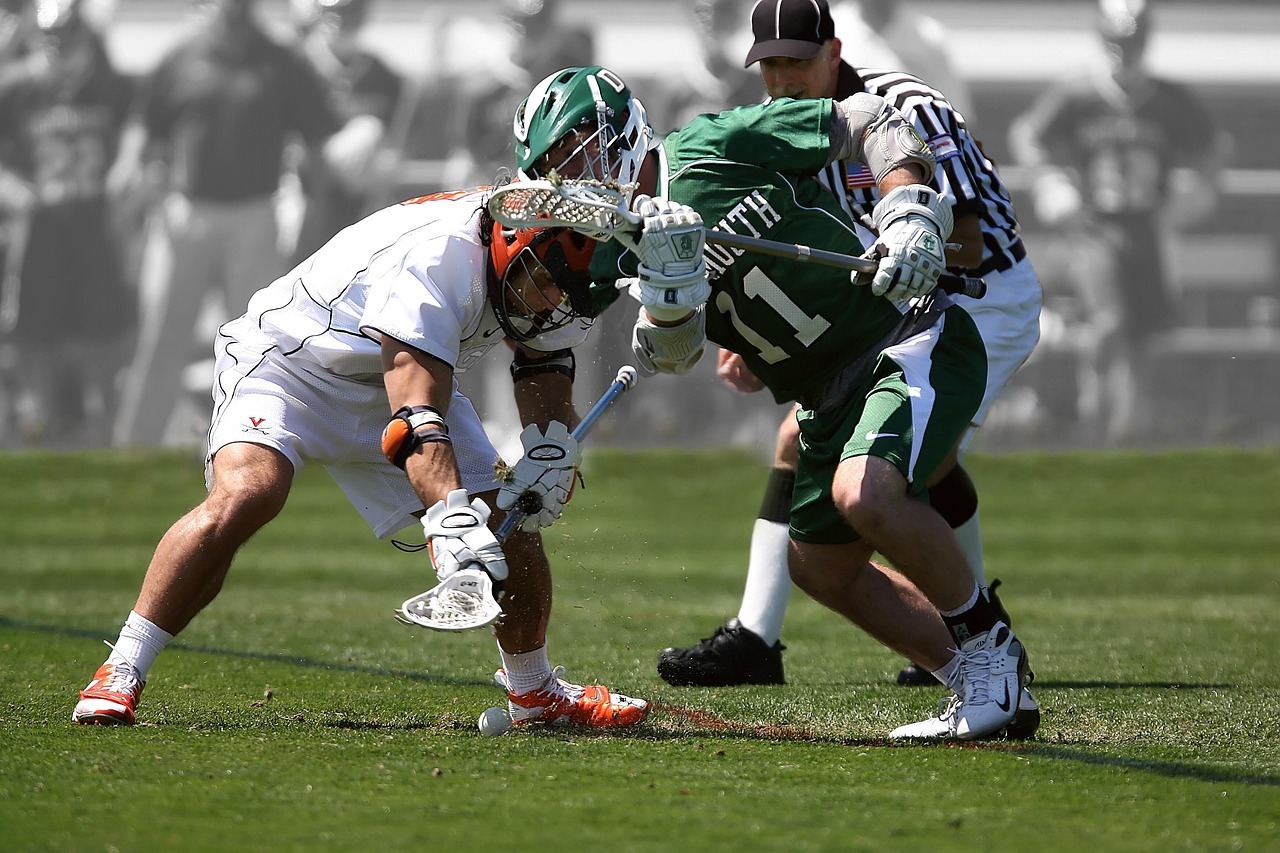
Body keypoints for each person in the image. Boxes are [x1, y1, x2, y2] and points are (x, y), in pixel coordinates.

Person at [511, 63, 1033, 740]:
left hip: (904, 336)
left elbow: (871, 119)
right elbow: (673, 352)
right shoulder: (610, 250)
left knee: (865, 495)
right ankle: (980, 682)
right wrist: (668, 296)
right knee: (821, 568)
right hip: (825, 394)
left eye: (577, 153)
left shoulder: (709, 144)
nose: (573, 176)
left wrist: (908, 212)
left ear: (619, 132)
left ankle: (993, 653)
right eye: (556, 168)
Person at [72, 180, 650, 731]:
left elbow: (542, 364)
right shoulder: (440, 259)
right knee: (249, 493)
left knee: (509, 521)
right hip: (291, 366)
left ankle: (534, 692)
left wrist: (549, 449)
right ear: (511, 246)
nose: (549, 301)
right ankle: (122, 667)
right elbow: (415, 419)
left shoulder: (548, 254)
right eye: (542, 282)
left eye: (560, 290)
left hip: (390, 379)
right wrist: (449, 517)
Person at [657, 0, 1042, 709]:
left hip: (983, 299)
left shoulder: (906, 106)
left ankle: (974, 637)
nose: (783, 79)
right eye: (770, 65)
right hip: (895, 306)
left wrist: (900, 232)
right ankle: (767, 636)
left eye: (798, 62)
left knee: (892, 468)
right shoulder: (777, 125)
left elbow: (965, 243)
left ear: (834, 53)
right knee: (868, 463)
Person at [109, 0, 341, 448]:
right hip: (186, 213)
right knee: (161, 341)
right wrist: (129, 163)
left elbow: (316, 140)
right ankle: (134, 451)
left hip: (255, 215)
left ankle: (257, 444)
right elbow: (145, 121)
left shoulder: (281, 61)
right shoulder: (182, 56)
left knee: (258, 342)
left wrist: (319, 209)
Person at [1008, 0, 1227, 447]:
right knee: (1107, 322)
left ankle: (1130, 436)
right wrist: (1050, 182)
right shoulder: (1078, 93)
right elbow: (1028, 136)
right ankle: (1094, 422)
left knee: (1144, 337)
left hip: (1150, 228)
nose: (1125, 55)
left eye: (1134, 44)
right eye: (1117, 44)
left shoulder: (1168, 99)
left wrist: (1197, 190)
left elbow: (1214, 148)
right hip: (1095, 227)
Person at [0, 0, 135, 447]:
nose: (57, 48)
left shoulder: (112, 86)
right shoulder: (15, 87)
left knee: (103, 326)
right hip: (37, 227)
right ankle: (38, 417)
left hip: (97, 223)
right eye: (48, 39)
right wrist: (11, 188)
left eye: (65, 38)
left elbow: (139, 137)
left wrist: (126, 175)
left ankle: (101, 420)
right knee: (33, 328)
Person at [283, 0, 405, 264]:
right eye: (336, 13)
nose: (343, 21)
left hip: (360, 190)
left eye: (351, 13)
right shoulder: (297, 65)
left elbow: (399, 137)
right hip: (301, 185)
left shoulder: (383, 75)